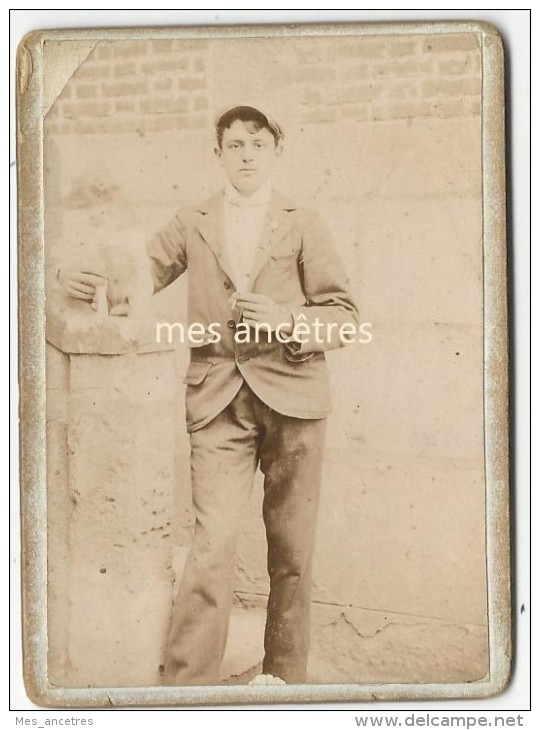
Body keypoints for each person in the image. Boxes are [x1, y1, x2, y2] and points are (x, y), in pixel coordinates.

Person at [58, 105, 359, 686]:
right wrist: (85, 279)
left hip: (295, 400)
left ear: (276, 151)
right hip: (218, 399)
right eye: (235, 144)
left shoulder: (304, 222)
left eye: (257, 144)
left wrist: (287, 319)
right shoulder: (193, 219)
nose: (246, 154)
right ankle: (185, 693)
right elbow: (136, 276)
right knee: (212, 544)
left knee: (292, 553)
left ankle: (286, 684)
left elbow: (344, 318)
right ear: (217, 153)